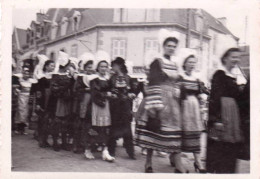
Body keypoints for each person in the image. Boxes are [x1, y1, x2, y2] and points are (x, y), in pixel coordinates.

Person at [135, 29, 187, 173]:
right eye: (169, 45)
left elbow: (178, 82)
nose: (171, 48)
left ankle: (178, 164)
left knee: (173, 131)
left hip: (173, 102)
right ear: (163, 46)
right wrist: (154, 104)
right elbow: (153, 83)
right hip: (159, 99)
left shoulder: (176, 64)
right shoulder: (157, 62)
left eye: (173, 46)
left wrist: (178, 88)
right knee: (154, 130)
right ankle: (148, 162)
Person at [206, 48, 244, 173]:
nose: (236, 60)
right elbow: (214, 98)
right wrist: (216, 119)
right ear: (225, 58)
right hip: (222, 116)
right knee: (219, 149)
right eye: (233, 57)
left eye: (238, 57)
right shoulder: (220, 74)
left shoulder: (234, 76)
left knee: (229, 149)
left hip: (232, 117)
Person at [179, 53, 208, 173]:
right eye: (189, 62)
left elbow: (203, 91)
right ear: (184, 63)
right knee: (181, 133)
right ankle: (178, 162)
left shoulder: (197, 79)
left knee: (196, 133)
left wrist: (202, 96)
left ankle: (197, 161)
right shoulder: (180, 77)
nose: (192, 65)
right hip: (183, 107)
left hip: (195, 108)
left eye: (193, 62)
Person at [107, 57, 137, 160]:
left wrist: (132, 95)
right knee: (113, 128)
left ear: (119, 65)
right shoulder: (112, 78)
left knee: (127, 129)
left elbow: (134, 91)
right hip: (114, 106)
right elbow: (107, 89)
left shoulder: (128, 78)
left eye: (114, 66)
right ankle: (111, 151)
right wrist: (110, 94)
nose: (112, 68)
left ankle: (130, 152)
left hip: (125, 106)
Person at [88, 58, 115, 162]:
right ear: (98, 68)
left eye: (105, 66)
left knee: (105, 128)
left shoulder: (108, 80)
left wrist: (112, 94)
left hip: (106, 105)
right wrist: (105, 94)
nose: (104, 68)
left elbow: (112, 90)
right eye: (101, 66)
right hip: (97, 105)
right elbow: (94, 93)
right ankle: (88, 149)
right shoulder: (94, 80)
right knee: (95, 127)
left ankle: (105, 150)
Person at [49, 52, 76, 151]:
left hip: (67, 100)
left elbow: (73, 86)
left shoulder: (69, 74)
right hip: (58, 101)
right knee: (57, 122)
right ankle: (55, 142)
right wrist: (62, 91)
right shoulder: (56, 74)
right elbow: (54, 88)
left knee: (66, 122)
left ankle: (64, 142)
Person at [35, 59, 55, 148]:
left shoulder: (54, 77)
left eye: (54, 66)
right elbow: (39, 91)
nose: (53, 67)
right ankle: (42, 140)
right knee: (43, 120)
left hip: (52, 100)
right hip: (44, 100)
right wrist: (38, 103)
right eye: (51, 66)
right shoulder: (42, 78)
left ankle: (46, 139)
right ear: (46, 66)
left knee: (50, 121)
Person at [14, 66, 34, 134]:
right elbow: (17, 89)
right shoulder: (20, 81)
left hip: (28, 97)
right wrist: (17, 91)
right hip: (21, 97)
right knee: (20, 112)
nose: (26, 75)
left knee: (26, 113)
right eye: (25, 73)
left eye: (28, 74)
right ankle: (19, 128)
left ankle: (23, 129)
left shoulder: (31, 81)